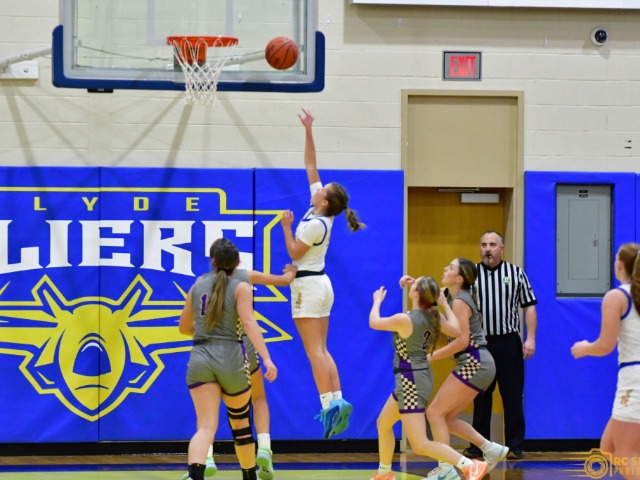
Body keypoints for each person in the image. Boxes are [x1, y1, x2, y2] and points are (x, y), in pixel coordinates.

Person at [280, 107, 365, 439]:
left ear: (325, 201)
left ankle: (328, 406)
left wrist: (286, 227)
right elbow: (310, 165)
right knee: (323, 349)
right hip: (320, 283)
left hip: (309, 287)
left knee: (313, 351)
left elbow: (294, 252)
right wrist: (308, 129)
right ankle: (338, 399)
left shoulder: (316, 223)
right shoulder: (319, 211)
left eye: (322, 187)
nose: (317, 185)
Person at [181, 237, 296, 480]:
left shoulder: (197, 285)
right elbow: (249, 323)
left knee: (205, 425)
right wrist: (267, 359)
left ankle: (195, 473)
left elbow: (183, 327)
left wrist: (206, 333)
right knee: (240, 422)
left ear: (212, 260)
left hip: (200, 356)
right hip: (232, 356)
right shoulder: (241, 285)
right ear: (238, 262)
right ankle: (250, 472)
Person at [368, 275, 489, 480]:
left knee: (420, 444)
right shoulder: (434, 316)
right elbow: (456, 330)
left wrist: (377, 300)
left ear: (417, 293)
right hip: (417, 378)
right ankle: (384, 473)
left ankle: (470, 465)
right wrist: (443, 303)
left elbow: (374, 322)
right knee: (383, 423)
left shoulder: (405, 319)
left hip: (411, 382)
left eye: (415, 284)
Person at [421, 259, 509, 480]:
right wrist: (415, 285)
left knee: (434, 413)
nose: (445, 268)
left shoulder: (460, 301)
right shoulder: (455, 296)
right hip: (478, 362)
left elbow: (462, 341)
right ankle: (490, 448)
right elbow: (431, 293)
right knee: (447, 418)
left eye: (450, 267)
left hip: (475, 362)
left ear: (459, 278)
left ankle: (445, 469)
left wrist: (432, 356)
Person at [464, 231, 537, 461]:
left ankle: (514, 446)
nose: (488, 249)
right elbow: (453, 301)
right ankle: (478, 447)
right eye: (484, 244)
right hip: (480, 343)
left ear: (502, 249)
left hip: (508, 343)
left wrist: (531, 338)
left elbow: (530, 306)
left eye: (493, 245)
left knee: (512, 395)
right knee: (481, 397)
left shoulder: (516, 273)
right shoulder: (470, 275)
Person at [572, 242, 640, 480]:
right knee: (609, 447)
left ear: (619, 264)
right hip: (632, 378)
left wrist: (585, 348)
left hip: (634, 379)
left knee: (626, 453)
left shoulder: (617, 296)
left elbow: (605, 345)